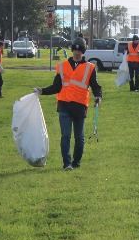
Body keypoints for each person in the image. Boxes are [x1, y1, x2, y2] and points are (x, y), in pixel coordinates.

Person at [34, 39, 102, 170]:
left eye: (80, 50)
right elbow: (56, 87)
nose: (77, 52)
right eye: (75, 50)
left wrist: (98, 96)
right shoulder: (62, 66)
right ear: (72, 50)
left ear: (83, 52)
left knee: (79, 137)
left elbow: (95, 86)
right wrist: (42, 91)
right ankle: (67, 163)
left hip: (80, 106)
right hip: (64, 105)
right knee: (65, 136)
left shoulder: (90, 68)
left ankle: (76, 162)